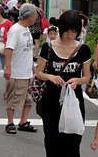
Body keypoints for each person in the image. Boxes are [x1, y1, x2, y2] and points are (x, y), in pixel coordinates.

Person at [37, 11, 90, 156]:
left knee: (73, 141)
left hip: (74, 100)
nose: (69, 35)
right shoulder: (48, 47)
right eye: (66, 31)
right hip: (52, 101)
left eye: (73, 32)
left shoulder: (83, 50)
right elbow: (39, 73)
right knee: (52, 140)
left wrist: (77, 80)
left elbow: (86, 77)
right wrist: (50, 76)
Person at [4, 3, 37, 134]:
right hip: (17, 72)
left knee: (28, 99)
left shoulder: (26, 29)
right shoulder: (15, 30)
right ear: (30, 16)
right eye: (35, 16)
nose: (36, 18)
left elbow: (27, 50)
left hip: (27, 72)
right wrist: (8, 68)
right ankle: (10, 123)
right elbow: (9, 49)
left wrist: (32, 66)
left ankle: (23, 121)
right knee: (13, 99)